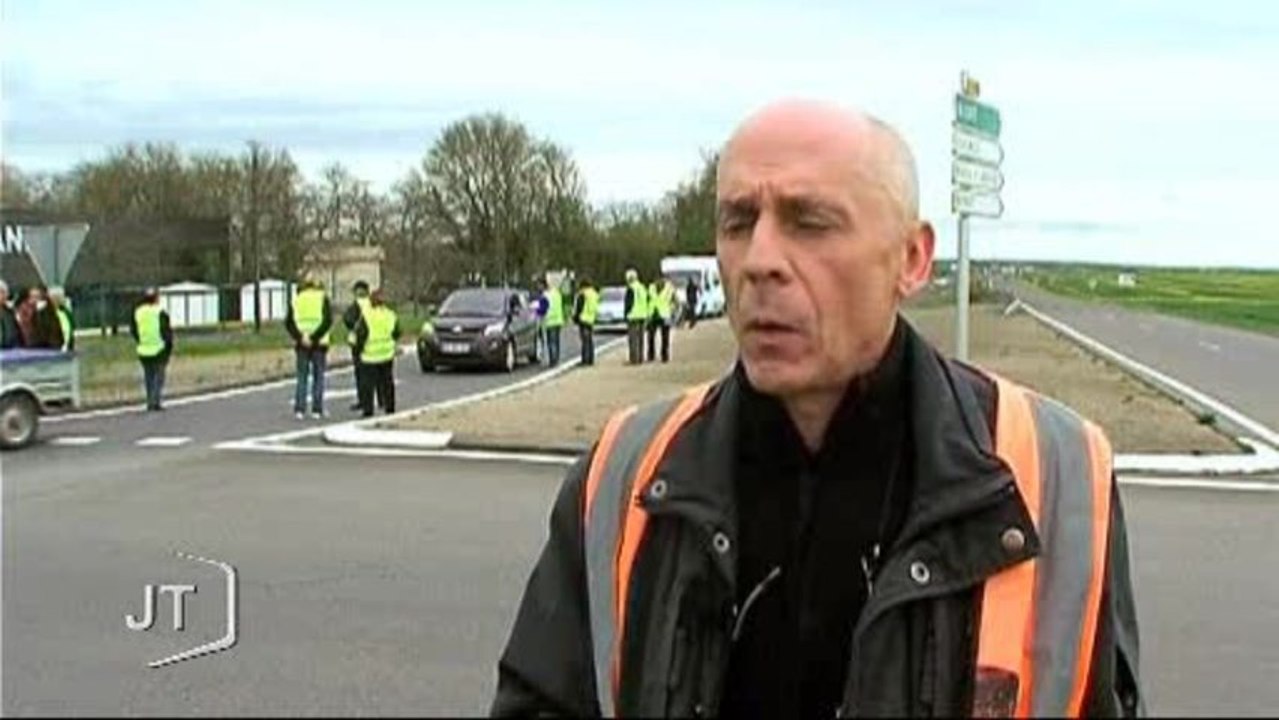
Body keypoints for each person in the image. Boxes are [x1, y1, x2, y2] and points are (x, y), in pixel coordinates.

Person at [491, 101, 1143, 718]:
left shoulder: (1055, 475)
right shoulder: (624, 471)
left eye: (809, 222)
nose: (759, 262)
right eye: (737, 223)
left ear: (911, 259)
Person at [286, 278, 334, 420]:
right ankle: (317, 409)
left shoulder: (296, 300)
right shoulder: (322, 298)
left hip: (302, 344)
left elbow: (289, 322)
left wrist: (300, 337)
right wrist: (314, 337)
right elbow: (327, 321)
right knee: (318, 376)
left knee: (302, 377)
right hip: (319, 343)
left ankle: (299, 409)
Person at [353, 289, 400, 417]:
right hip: (386, 354)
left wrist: (358, 350)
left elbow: (361, 335)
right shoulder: (390, 315)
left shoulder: (367, 315)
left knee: (368, 384)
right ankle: (390, 407)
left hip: (370, 355)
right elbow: (396, 332)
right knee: (387, 382)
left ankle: (368, 410)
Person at [129, 287, 174, 412]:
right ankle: (156, 401)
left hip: (143, 349)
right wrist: (169, 346)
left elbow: (133, 329)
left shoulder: (138, 312)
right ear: (156, 298)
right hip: (159, 348)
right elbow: (167, 331)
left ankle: (149, 401)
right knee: (158, 376)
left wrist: (140, 340)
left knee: (148, 376)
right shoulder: (160, 312)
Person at [343, 280, 374, 413]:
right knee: (375, 375)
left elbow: (347, 319)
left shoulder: (355, 306)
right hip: (374, 343)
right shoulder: (373, 305)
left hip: (358, 344)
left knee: (361, 374)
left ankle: (363, 401)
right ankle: (377, 400)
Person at [645, 275, 674, 363]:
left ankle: (664, 355)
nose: (658, 281)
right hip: (653, 314)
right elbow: (647, 300)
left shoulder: (669, 288)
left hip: (665, 314)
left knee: (665, 338)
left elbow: (674, 300)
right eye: (657, 280)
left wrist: (672, 310)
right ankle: (651, 355)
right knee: (650, 337)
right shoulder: (651, 288)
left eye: (661, 279)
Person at [573, 278, 600, 366]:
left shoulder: (583, 294)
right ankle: (591, 359)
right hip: (591, 319)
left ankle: (585, 360)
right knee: (590, 341)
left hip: (583, 319)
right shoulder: (595, 294)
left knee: (585, 341)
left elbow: (579, 307)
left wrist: (575, 318)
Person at [623, 268, 647, 365]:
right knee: (641, 339)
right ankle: (640, 358)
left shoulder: (631, 288)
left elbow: (629, 303)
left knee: (633, 339)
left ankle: (634, 359)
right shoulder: (642, 287)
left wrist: (626, 314)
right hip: (642, 315)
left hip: (633, 316)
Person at [541, 278, 565, 368]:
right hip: (558, 320)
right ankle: (556, 359)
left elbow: (543, 309)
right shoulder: (557, 294)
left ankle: (553, 361)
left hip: (550, 321)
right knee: (556, 341)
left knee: (551, 342)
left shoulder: (545, 295)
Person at [48, 286, 75, 352]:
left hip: (67, 348)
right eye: (62, 297)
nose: (64, 299)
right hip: (53, 349)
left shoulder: (66, 312)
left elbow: (70, 328)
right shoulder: (46, 313)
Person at [0, 280, 22, 349]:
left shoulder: (10, 312)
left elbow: (15, 331)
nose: (3, 296)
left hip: (10, 350)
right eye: (1, 292)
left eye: (4, 292)